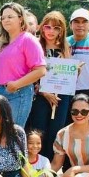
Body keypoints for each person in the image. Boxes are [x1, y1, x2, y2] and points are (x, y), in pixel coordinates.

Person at [0, 2, 47, 128]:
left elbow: (41, 71)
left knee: (11, 136)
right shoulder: (0, 43)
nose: (5, 20)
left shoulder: (27, 39)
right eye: (3, 17)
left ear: (21, 18)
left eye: (10, 16)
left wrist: (16, 84)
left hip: (17, 94)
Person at [26, 11, 73, 159]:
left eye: (56, 28)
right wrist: (44, 92)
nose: (51, 31)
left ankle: (50, 168)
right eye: (48, 27)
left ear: (62, 30)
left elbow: (67, 75)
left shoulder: (66, 47)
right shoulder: (36, 46)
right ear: (42, 28)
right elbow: (29, 73)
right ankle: (36, 164)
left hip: (61, 97)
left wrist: (74, 71)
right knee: (39, 132)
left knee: (56, 132)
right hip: (40, 96)